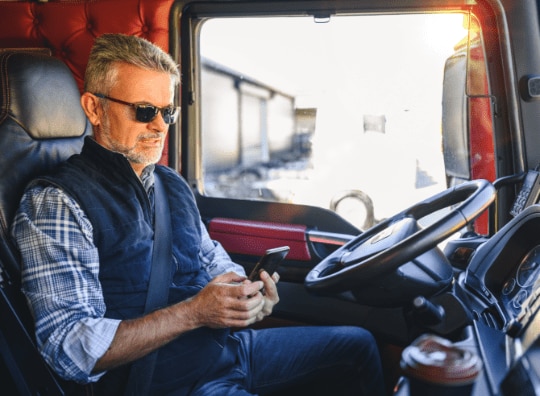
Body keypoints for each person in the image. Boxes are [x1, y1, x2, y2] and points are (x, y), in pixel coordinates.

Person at [11, 33, 385, 395]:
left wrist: (248, 298)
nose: (159, 126)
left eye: (167, 112)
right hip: (167, 382)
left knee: (357, 345)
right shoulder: (57, 202)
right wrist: (194, 313)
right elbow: (70, 348)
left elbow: (212, 261)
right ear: (94, 107)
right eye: (144, 111)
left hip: (227, 351)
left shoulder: (171, 185)